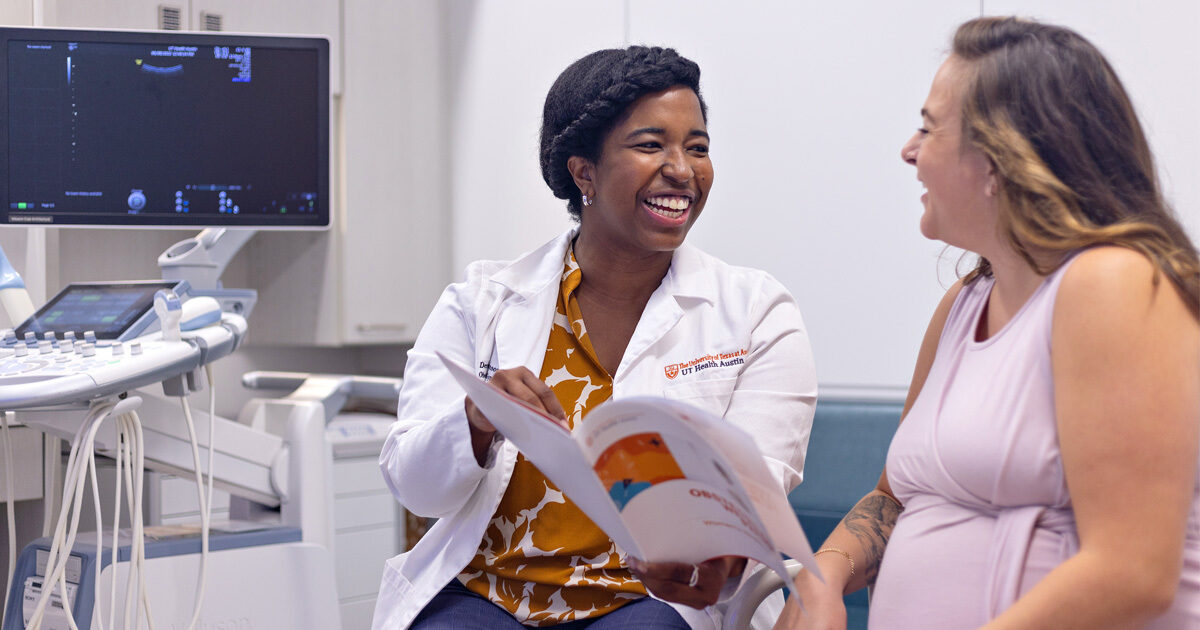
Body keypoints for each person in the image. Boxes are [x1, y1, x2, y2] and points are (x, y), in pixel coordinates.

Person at [373, 46, 818, 630]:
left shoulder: (757, 312)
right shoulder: (482, 299)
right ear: (584, 172)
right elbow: (415, 487)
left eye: (698, 147)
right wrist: (476, 422)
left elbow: (757, 493)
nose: (683, 169)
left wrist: (710, 541)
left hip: (652, 602)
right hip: (489, 595)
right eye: (651, 144)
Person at [777, 16, 1200, 630]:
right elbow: (894, 499)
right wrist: (826, 574)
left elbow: (1131, 569)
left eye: (928, 126)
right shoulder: (962, 306)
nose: (908, 149)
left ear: (1003, 155)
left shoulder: (1115, 283)